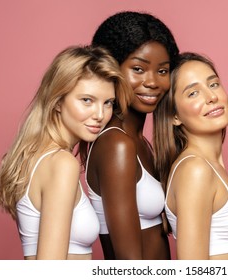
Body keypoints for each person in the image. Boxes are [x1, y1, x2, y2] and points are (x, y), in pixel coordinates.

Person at [0, 45, 132, 260]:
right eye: (87, 100)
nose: (100, 114)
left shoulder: (36, 157)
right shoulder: (62, 164)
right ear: (57, 101)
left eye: (108, 103)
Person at [83, 11, 179, 260]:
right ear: (111, 70)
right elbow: (128, 264)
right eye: (138, 69)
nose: (153, 82)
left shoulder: (140, 142)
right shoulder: (117, 144)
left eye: (162, 71)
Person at [153, 52, 228, 260]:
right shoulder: (195, 170)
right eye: (193, 93)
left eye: (213, 84)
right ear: (174, 116)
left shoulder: (209, 166)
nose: (211, 97)